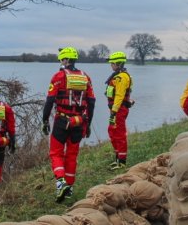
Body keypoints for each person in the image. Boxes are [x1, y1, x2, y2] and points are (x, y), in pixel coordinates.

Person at [42, 47, 96, 203]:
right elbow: (91, 102)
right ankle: (69, 189)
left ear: (65, 60)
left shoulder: (59, 76)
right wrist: (88, 123)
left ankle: (60, 183)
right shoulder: (86, 77)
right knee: (72, 155)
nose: (61, 62)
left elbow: (50, 100)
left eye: (61, 59)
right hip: (79, 122)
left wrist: (44, 120)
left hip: (61, 121)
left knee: (55, 153)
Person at [104, 51, 134, 171]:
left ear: (118, 63)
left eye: (112, 63)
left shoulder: (121, 77)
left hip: (118, 109)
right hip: (116, 109)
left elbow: (119, 95)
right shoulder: (118, 75)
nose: (111, 65)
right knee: (112, 131)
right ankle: (117, 158)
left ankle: (122, 161)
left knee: (119, 134)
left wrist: (114, 111)